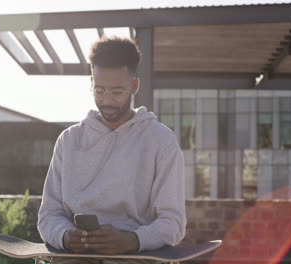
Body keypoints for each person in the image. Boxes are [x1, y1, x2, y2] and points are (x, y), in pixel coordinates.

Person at [37, 37, 186, 263]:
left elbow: (173, 223)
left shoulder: (160, 141)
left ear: (135, 86)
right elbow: (48, 215)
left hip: (135, 258)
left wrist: (132, 240)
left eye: (117, 92)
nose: (107, 100)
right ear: (91, 83)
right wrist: (65, 236)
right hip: (75, 258)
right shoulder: (69, 140)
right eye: (99, 90)